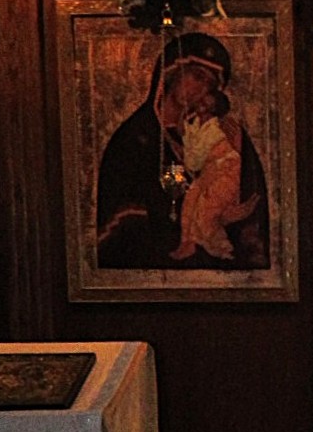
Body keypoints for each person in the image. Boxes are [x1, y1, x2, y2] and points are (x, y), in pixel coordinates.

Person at [95, 30, 268, 270]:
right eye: (197, 76)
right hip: (151, 262)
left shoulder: (218, 133)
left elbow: (247, 205)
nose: (201, 89)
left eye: (210, 85)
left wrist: (225, 217)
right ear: (172, 73)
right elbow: (119, 219)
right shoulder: (135, 137)